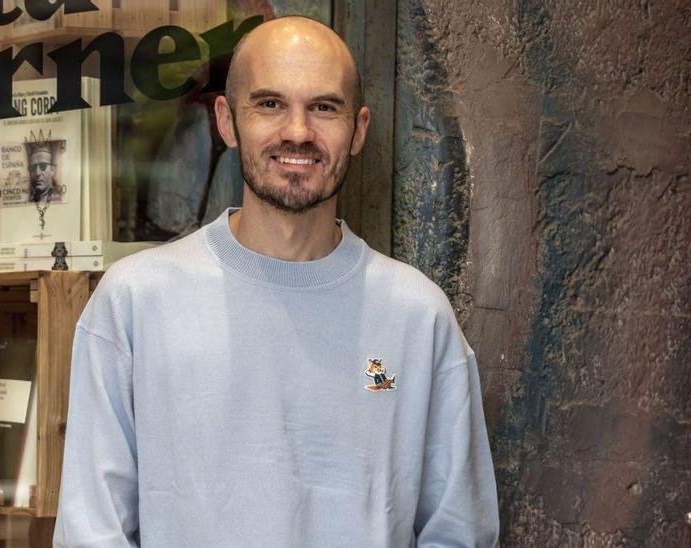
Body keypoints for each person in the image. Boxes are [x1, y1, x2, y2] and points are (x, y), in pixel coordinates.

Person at [53, 16, 498, 548]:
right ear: (226, 119)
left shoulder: (417, 317)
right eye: (269, 104)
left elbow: (458, 533)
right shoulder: (134, 303)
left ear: (357, 130)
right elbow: (91, 532)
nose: (297, 131)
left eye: (324, 107)